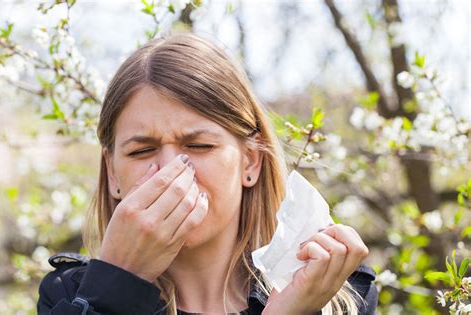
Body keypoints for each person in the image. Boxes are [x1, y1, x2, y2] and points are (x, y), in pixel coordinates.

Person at [37, 33, 378, 315]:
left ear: (250, 162)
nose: (171, 171)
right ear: (112, 173)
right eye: (141, 151)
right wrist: (118, 282)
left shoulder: (332, 294)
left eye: (199, 145)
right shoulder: (69, 295)